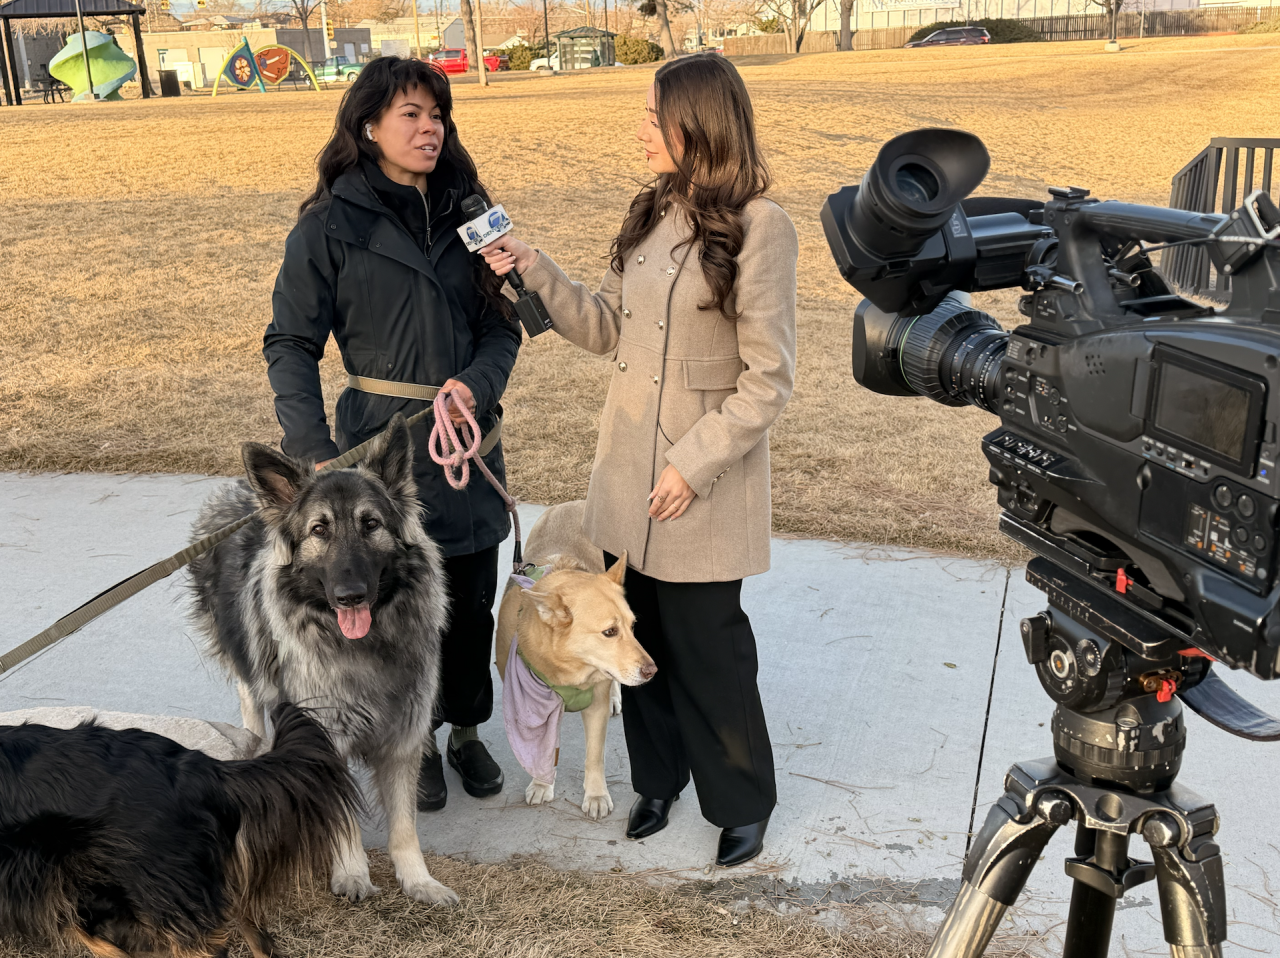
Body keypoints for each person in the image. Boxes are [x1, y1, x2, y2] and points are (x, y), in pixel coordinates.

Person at [481, 54, 797, 866]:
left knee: (708, 652)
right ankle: (657, 782)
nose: (640, 129)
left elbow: (769, 380)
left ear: (695, 126)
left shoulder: (762, 228)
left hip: (699, 490)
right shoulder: (649, 215)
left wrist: (693, 465)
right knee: (638, 644)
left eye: (652, 116)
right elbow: (609, 329)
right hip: (625, 480)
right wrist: (533, 266)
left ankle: (741, 800)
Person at [264, 57, 521, 811]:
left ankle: (468, 728)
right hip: (376, 454)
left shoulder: (472, 215)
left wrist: (473, 386)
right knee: (388, 604)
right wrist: (310, 449)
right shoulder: (328, 226)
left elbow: (501, 329)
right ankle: (419, 736)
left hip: (465, 441)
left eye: (437, 113)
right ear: (368, 126)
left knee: (470, 599)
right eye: (410, 113)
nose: (429, 127)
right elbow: (290, 341)